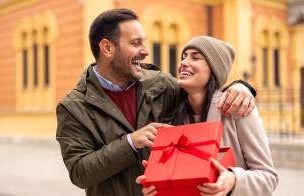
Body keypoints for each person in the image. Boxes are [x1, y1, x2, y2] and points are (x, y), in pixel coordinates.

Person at [56, 9, 256, 196]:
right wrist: (130, 142)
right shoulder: (73, 107)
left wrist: (241, 86)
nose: (145, 51)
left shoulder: (161, 84)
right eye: (135, 44)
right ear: (107, 47)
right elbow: (79, 172)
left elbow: (201, 88)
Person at [136, 36, 278, 196]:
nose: (183, 62)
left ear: (214, 69)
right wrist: (159, 186)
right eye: (183, 57)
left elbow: (268, 177)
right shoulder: (171, 117)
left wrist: (234, 180)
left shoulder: (239, 109)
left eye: (195, 57)